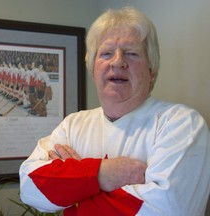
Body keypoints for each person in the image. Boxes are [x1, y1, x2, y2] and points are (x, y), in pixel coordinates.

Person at [19, 6, 210, 216]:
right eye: (106, 53)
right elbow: (30, 187)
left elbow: (168, 210)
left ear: (152, 71)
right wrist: (104, 173)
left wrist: (74, 190)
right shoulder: (73, 125)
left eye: (132, 53)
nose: (118, 61)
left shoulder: (181, 123)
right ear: (93, 69)